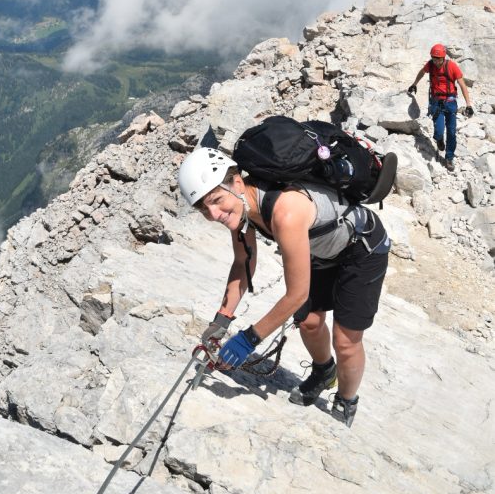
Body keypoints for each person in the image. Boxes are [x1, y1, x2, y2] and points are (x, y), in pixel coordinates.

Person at [178, 147, 391, 427]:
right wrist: (222, 319)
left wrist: (249, 339)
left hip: (362, 248)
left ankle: (346, 400)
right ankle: (325, 371)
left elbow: (297, 294)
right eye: (204, 208)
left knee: (345, 340)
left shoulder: (285, 212)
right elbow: (243, 262)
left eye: (216, 200)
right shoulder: (240, 206)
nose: (215, 213)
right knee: (309, 322)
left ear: (237, 183)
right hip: (322, 248)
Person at [407, 43, 474, 171]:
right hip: (436, 102)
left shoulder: (452, 66)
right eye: (434, 58)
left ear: (443, 57)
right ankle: (439, 139)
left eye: (438, 59)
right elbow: (422, 72)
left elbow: (462, 85)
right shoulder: (430, 65)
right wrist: (415, 83)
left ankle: (449, 158)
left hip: (450, 102)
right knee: (438, 131)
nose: (436, 61)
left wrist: (468, 104)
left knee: (452, 132)